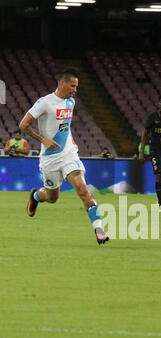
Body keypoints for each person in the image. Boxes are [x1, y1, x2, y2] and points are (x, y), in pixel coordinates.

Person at [19, 68, 109, 245]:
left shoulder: (71, 102)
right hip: (49, 159)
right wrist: (43, 139)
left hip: (68, 154)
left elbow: (65, 127)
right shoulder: (45, 102)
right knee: (53, 198)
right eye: (72, 85)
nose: (75, 89)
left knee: (83, 191)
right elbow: (23, 124)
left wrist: (72, 141)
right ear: (62, 83)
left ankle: (99, 231)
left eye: (76, 86)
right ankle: (36, 195)